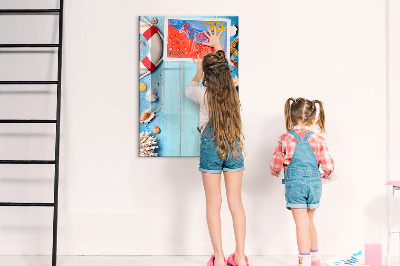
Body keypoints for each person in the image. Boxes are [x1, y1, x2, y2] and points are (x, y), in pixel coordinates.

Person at [185, 29, 248, 266]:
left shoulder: (203, 94)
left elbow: (188, 90)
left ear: (207, 77)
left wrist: (198, 71)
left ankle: (220, 258)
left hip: (211, 148)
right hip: (233, 146)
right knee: (236, 202)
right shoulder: (232, 92)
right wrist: (219, 47)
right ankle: (240, 257)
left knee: (214, 203)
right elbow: (225, 69)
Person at [270, 98, 335, 266]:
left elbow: (275, 164)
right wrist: (327, 175)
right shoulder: (318, 139)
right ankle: (315, 260)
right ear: (313, 120)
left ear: (291, 117)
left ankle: (304, 261)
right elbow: (328, 165)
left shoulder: (285, 138)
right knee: (309, 222)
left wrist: (275, 171)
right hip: (314, 185)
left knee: (301, 224)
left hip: (295, 186)